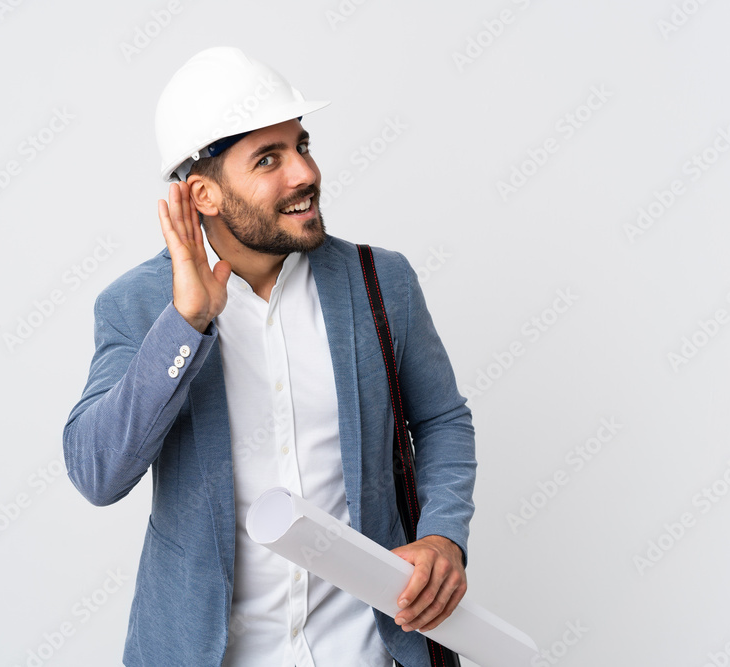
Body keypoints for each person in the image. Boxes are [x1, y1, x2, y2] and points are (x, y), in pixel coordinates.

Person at [63, 47, 476, 667]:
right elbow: (96, 473)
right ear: (204, 193)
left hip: (364, 651)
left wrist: (443, 536)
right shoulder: (137, 305)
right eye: (268, 160)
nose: (304, 173)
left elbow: (442, 419)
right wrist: (186, 323)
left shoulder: (379, 282)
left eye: (302, 146)